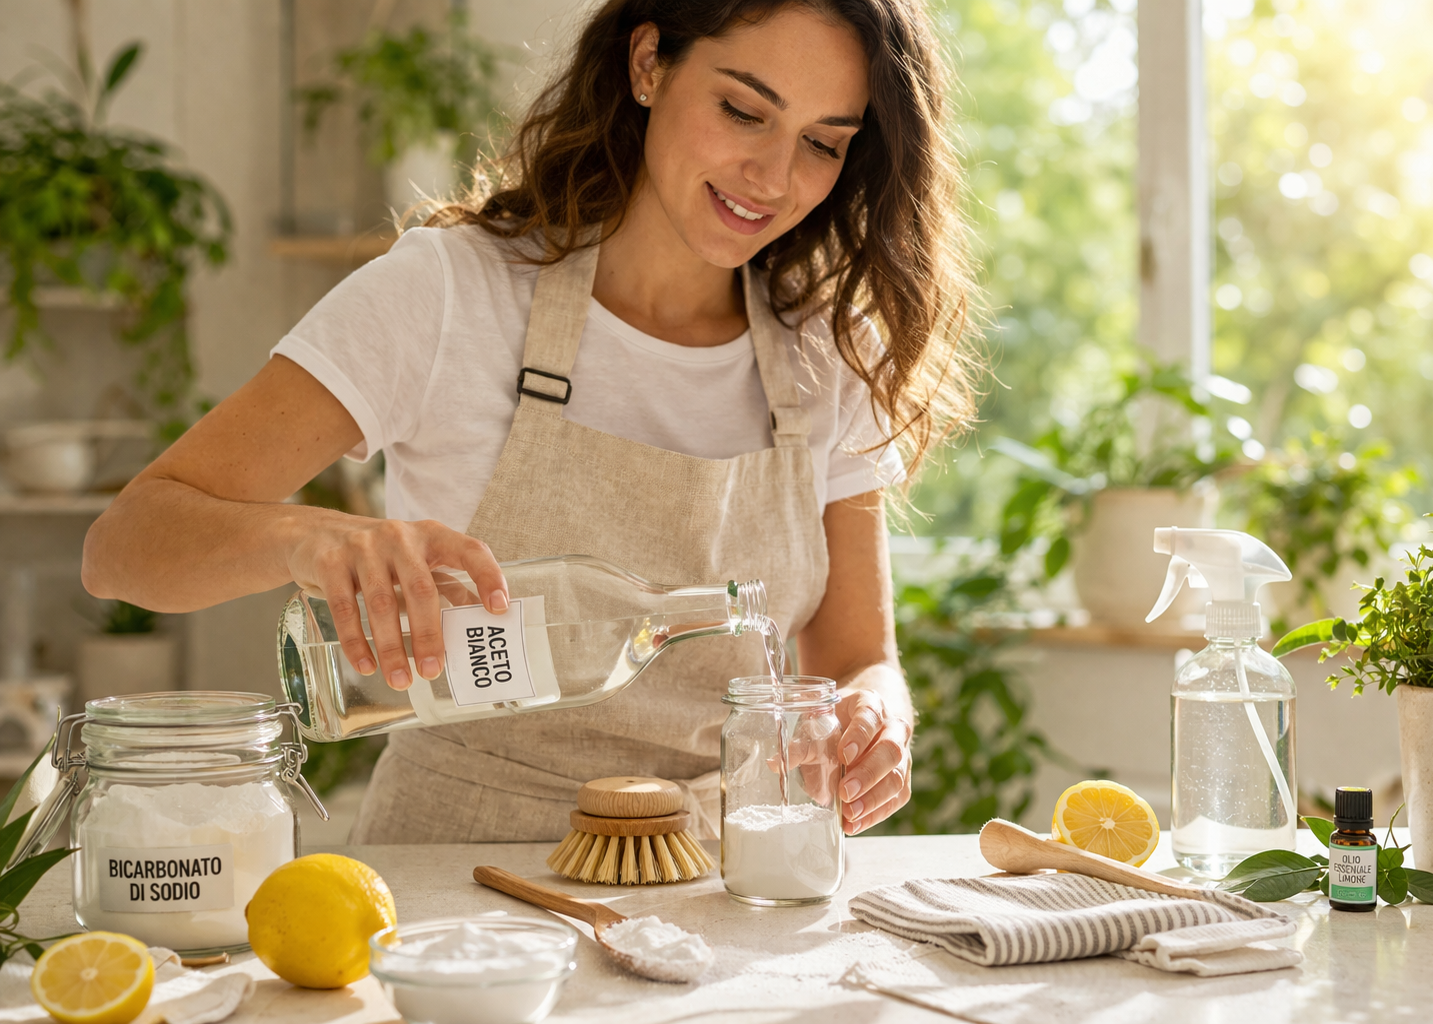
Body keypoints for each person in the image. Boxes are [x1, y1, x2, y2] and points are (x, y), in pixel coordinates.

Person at [82, 0, 977, 843]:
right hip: (457, 868)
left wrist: (878, 712)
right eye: (744, 111)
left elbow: (859, 653)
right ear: (647, 64)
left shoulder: (827, 349)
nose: (775, 178)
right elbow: (124, 547)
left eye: (823, 144)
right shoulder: (449, 293)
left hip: (719, 877)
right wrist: (306, 541)